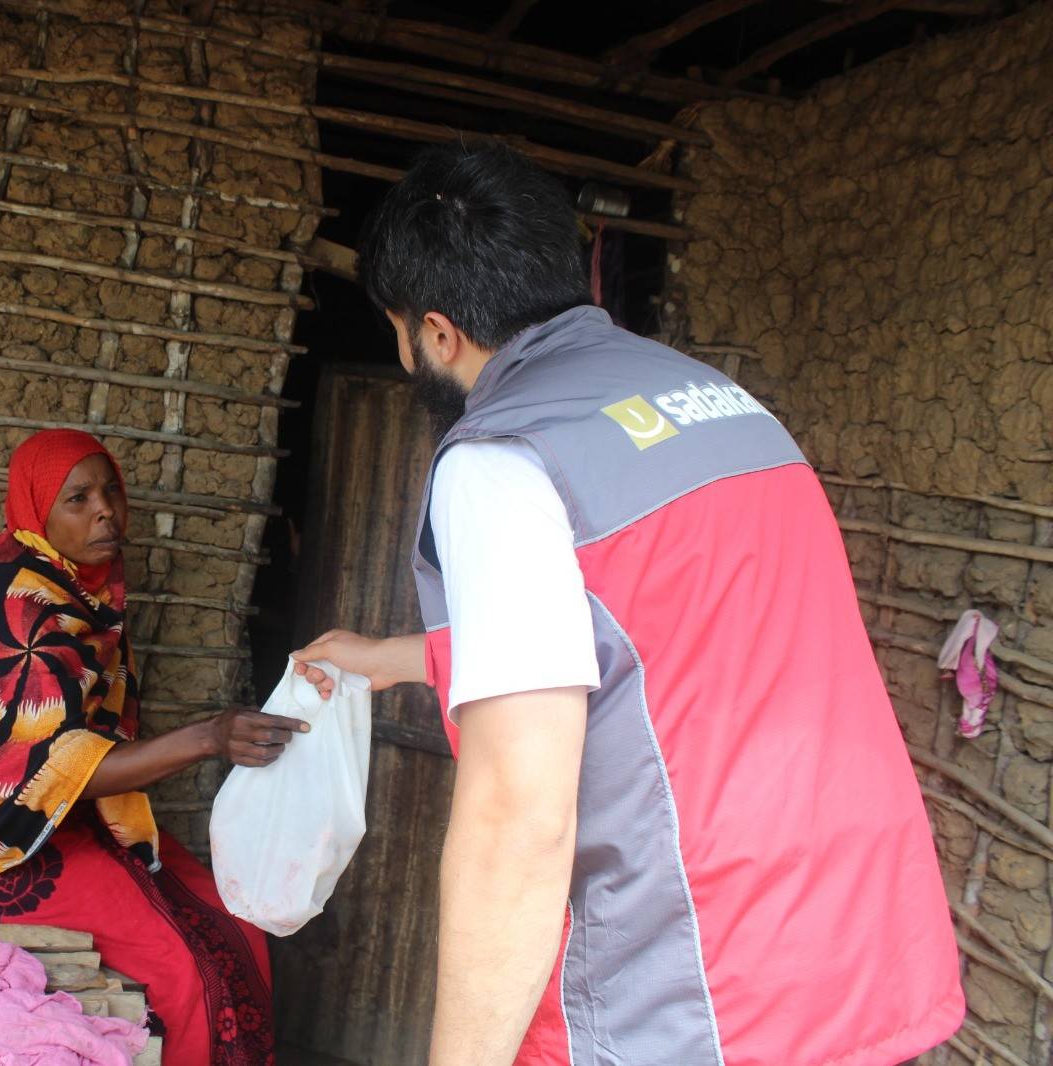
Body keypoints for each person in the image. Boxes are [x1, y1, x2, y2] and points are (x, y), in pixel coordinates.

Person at [291, 143, 964, 1066]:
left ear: (436, 335)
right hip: (861, 941)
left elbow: (518, 818)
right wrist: (387, 657)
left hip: (702, 980)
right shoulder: (723, 405)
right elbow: (660, 640)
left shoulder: (506, 460)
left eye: (398, 332)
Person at [0, 428, 302, 1066]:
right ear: (38, 512)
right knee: (184, 967)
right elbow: (49, 773)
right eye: (78, 499)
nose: (105, 509)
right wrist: (210, 737)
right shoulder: (24, 608)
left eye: (109, 489)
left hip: (72, 813)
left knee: (239, 925)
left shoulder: (76, 585)